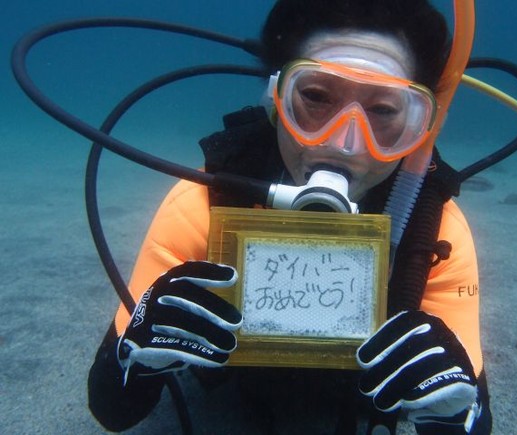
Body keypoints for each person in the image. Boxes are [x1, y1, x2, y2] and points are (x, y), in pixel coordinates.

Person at [88, 0, 492, 433]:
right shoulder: (203, 204)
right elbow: (114, 410)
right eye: (316, 97)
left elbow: (471, 420)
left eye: (383, 111)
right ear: (275, 99)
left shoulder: (434, 231)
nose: (344, 144)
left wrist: (454, 406)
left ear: (418, 128)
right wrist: (132, 353)